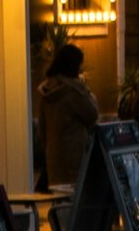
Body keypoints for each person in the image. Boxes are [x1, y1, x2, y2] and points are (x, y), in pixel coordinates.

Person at [38, 41, 99, 187]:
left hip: (53, 156)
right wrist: (85, 90)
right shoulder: (74, 92)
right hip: (74, 157)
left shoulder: (46, 91)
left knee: (58, 199)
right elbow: (92, 114)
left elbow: (42, 128)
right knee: (74, 201)